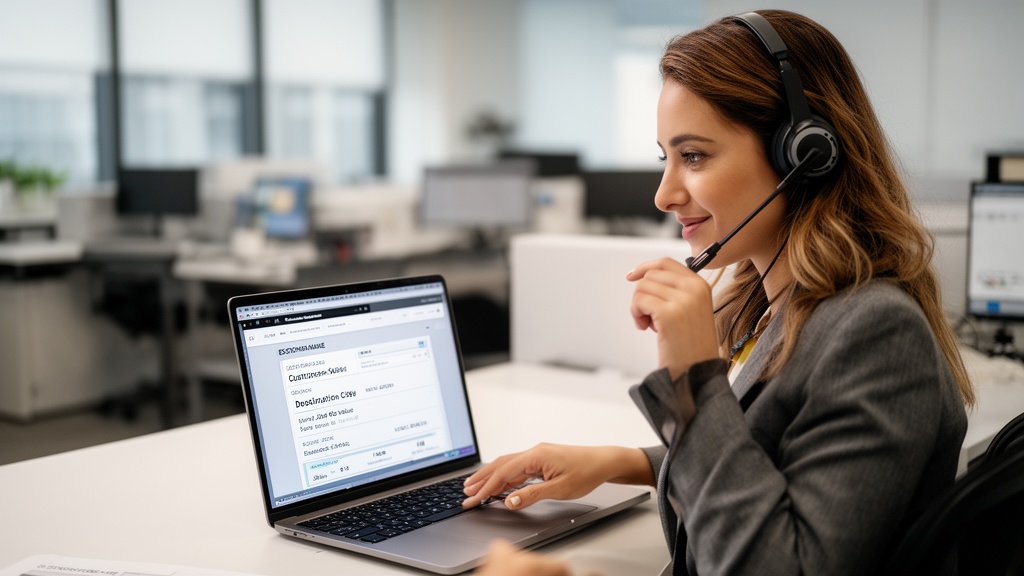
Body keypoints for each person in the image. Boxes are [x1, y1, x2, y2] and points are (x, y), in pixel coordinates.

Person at [462, 9, 973, 576]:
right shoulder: (770, 300)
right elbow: (770, 457)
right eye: (666, 158)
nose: (663, 195)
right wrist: (618, 462)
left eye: (695, 156)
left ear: (803, 155)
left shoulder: (873, 330)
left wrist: (692, 377)